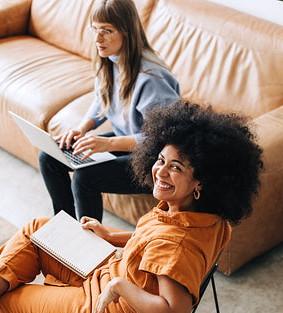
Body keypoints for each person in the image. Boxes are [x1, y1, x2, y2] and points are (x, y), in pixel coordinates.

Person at [0, 101, 264, 313]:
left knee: (0, 300)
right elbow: (152, 251)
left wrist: (120, 286)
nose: (161, 172)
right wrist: (110, 235)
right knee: (39, 229)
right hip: (110, 268)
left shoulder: (179, 245)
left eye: (176, 167)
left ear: (201, 181)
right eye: (160, 160)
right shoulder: (203, 214)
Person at [38, 0, 180, 222]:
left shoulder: (152, 79)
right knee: (50, 156)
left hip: (154, 159)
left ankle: (89, 248)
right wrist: (82, 128)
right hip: (127, 143)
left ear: (127, 32)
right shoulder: (111, 59)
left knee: (85, 176)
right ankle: (65, 227)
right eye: (95, 29)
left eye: (106, 31)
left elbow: (162, 139)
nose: (97, 39)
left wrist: (108, 144)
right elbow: (103, 98)